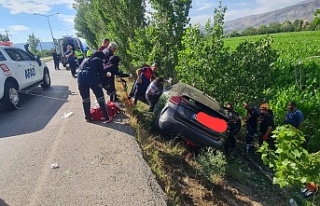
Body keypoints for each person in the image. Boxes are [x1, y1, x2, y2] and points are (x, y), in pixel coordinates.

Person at [77, 51, 111, 123]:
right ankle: (107, 117)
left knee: (85, 99)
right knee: (100, 97)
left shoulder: (85, 59)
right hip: (91, 77)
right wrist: (106, 79)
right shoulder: (99, 60)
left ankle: (88, 117)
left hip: (80, 78)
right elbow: (101, 75)